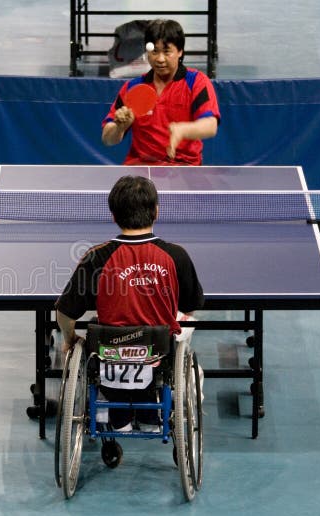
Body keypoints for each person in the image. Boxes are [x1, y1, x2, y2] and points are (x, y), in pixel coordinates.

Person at [55, 175, 204, 432]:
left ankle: (118, 418)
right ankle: (153, 418)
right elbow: (190, 307)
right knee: (184, 336)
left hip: (108, 351)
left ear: (113, 215)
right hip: (159, 352)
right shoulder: (176, 255)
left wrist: (69, 338)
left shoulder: (97, 258)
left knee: (90, 331)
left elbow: (65, 312)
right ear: (156, 212)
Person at [102, 19, 220, 166]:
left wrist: (183, 130)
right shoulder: (133, 87)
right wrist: (119, 127)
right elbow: (107, 139)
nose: (160, 59)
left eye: (166, 51)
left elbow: (210, 125)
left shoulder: (196, 81)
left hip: (184, 168)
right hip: (140, 169)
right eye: (154, 52)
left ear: (180, 52)